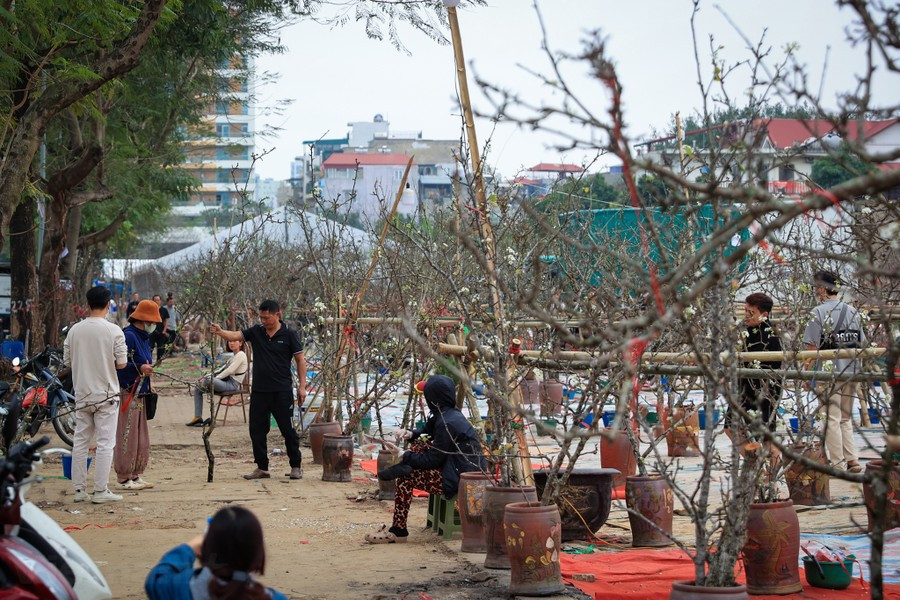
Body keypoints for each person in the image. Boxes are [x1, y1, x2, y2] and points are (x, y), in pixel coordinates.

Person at [367, 375, 485, 544]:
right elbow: (426, 428)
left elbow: (432, 460)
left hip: (461, 479)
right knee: (419, 444)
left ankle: (399, 530)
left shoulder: (446, 423)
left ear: (433, 398)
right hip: (456, 469)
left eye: (426, 394)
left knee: (405, 479)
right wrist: (410, 433)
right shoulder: (448, 414)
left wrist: (403, 453)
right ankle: (406, 464)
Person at [209, 300, 305, 480]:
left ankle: (296, 466)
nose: (264, 321)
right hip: (260, 391)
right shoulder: (256, 332)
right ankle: (262, 467)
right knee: (257, 430)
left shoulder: (289, 335)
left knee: (288, 430)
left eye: (267, 318)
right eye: (261, 317)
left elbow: (300, 360)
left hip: (281, 391)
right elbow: (235, 335)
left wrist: (302, 386)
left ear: (278, 314)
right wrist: (221, 331)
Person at [63, 286, 128, 504]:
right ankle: (100, 491)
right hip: (107, 395)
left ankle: (79, 491)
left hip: (81, 394)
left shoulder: (74, 331)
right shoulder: (114, 330)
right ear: (108, 305)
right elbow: (122, 363)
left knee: (80, 441)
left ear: (87, 305)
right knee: (105, 443)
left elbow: (66, 362)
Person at [145, 506, 286, 600]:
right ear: (258, 555)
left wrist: (189, 548)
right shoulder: (273, 597)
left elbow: (156, 578)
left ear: (205, 550)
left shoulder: (177, 588)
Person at [802, 270, 866, 473]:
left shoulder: (817, 312)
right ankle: (852, 459)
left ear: (822, 288)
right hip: (852, 370)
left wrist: (807, 372)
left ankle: (837, 463)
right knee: (846, 417)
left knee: (830, 418)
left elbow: (811, 348)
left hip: (827, 373)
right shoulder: (853, 312)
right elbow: (861, 342)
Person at [724, 292, 783, 442]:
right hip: (743, 388)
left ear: (764, 314)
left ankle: (768, 464)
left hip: (763, 390)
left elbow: (773, 366)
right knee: (731, 427)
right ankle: (755, 463)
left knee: (766, 435)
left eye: (751, 312)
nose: (747, 315)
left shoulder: (770, 335)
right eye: (745, 311)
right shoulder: (748, 332)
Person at [115, 299, 161, 490]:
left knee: (140, 437)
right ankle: (124, 477)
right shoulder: (129, 336)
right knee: (127, 435)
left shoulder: (143, 337)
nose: (155, 325)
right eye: (153, 322)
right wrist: (139, 368)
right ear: (145, 320)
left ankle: (135, 474)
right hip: (129, 392)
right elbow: (120, 365)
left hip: (141, 393)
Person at [187, 339, 248, 427]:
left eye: (234, 341)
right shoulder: (233, 356)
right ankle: (197, 417)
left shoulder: (241, 355)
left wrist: (212, 379)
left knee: (208, 380)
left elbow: (229, 370)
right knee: (198, 388)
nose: (231, 343)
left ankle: (208, 381)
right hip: (225, 381)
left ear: (241, 343)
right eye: (230, 341)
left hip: (232, 384)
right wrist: (206, 376)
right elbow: (221, 369)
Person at [153, 294, 168, 361]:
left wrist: (164, 330)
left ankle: (159, 361)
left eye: (158, 300)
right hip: (152, 331)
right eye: (155, 300)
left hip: (161, 331)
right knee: (150, 347)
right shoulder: (151, 310)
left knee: (160, 348)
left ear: (160, 301)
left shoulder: (164, 310)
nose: (156, 302)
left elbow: (166, 321)